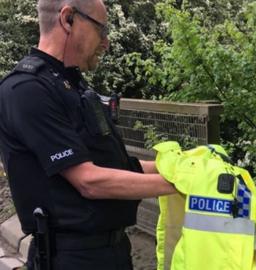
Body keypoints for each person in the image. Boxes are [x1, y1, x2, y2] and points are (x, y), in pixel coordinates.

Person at [0, 0, 176, 269]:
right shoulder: (27, 90)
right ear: (68, 19)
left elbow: (116, 168)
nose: (106, 42)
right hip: (72, 258)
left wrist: (184, 166)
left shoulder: (72, 85)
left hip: (112, 251)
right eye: (101, 30)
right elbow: (89, 181)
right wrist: (186, 186)